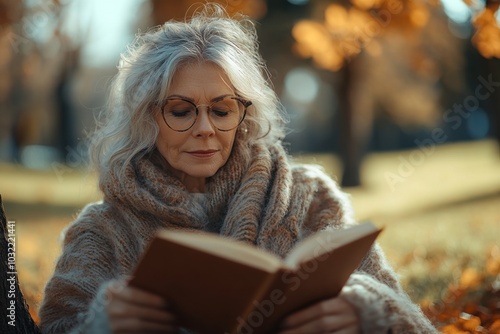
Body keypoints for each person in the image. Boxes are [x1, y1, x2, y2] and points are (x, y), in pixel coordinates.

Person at [39, 3, 438, 334]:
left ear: (244, 114)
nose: (205, 128)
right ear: (146, 119)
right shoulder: (101, 231)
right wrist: (100, 325)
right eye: (181, 111)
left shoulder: (310, 197)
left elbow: (415, 324)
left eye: (222, 109)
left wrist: (366, 312)